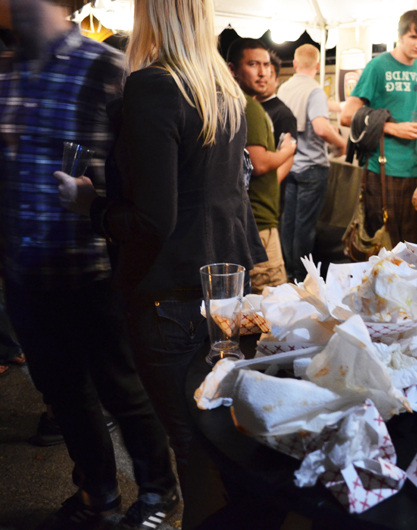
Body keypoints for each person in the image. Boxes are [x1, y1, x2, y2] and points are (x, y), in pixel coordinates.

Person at [52, 0, 267, 527]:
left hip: (170, 295)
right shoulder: (221, 89)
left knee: (193, 449)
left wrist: (91, 205)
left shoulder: (155, 86)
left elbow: (153, 221)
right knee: (222, 439)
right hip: (226, 287)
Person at [0, 0, 180, 529]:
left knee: (122, 390)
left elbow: (145, 175)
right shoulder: (7, 72)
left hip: (93, 269)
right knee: (61, 394)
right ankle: (97, 494)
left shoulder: (106, 68)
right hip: (25, 272)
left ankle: (158, 496)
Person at [340, 10, 417, 247]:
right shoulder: (378, 66)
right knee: (381, 243)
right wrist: (393, 128)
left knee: (412, 245)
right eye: (414, 37)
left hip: (413, 168)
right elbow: (347, 115)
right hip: (380, 166)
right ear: (400, 35)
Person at [227, 38, 295, 292]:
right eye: (253, 64)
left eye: (266, 64)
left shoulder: (233, 102)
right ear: (233, 69)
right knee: (273, 303)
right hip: (259, 222)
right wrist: (287, 151)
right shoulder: (250, 106)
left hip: (247, 217)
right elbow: (259, 163)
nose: (263, 71)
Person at [277, 44, 346, 281]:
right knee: (305, 227)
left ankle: (287, 272)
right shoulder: (315, 90)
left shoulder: (284, 88)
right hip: (313, 168)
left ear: (295, 64)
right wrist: (342, 143)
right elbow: (321, 127)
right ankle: (301, 278)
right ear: (317, 66)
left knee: (288, 223)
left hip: (289, 165)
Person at [258, 48, 297, 184]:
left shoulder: (283, 113)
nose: (263, 76)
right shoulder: (248, 107)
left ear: (276, 80)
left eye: (270, 73)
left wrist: (272, 187)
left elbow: (288, 156)